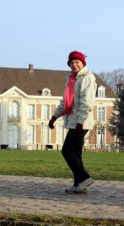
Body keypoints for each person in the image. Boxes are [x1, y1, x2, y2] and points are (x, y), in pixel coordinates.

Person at [49, 51, 97, 194]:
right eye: (72, 62)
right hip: (73, 120)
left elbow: (86, 103)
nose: (74, 65)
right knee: (76, 152)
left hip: (81, 122)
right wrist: (54, 117)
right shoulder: (71, 79)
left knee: (67, 150)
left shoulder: (87, 78)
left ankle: (84, 178)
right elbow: (65, 102)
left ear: (83, 63)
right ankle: (79, 184)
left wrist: (80, 122)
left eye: (77, 62)